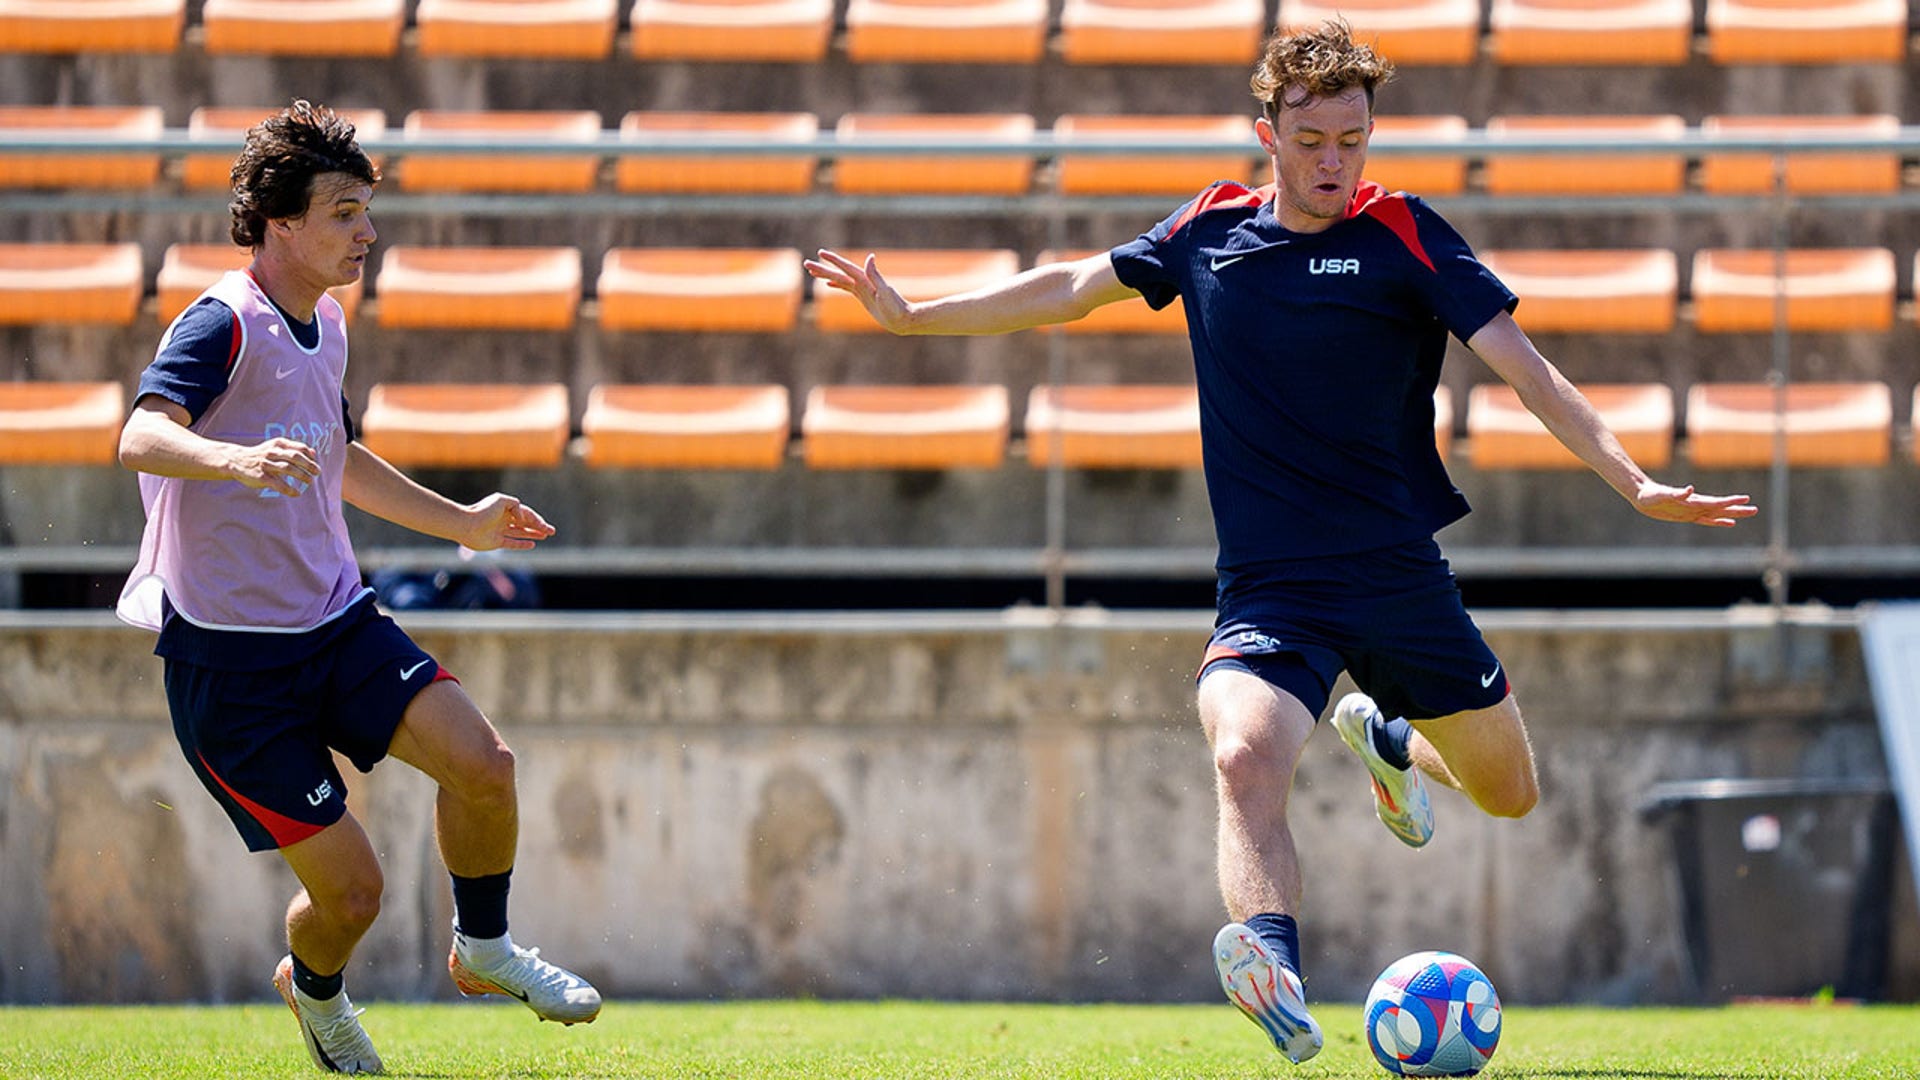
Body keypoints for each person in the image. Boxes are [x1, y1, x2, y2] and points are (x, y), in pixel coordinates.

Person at [805, 21, 1757, 1065]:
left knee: (1510, 794)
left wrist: (1633, 481)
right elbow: (1071, 289)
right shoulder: (1209, 230)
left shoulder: (1406, 233)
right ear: (1268, 131)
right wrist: (914, 318)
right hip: (1271, 591)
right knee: (1245, 753)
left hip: (1398, 579)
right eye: (1313, 141)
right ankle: (1277, 974)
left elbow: (1529, 372)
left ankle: (1389, 741)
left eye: (1353, 138)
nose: (1336, 161)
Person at [116, 101, 600, 1075]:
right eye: (344, 212)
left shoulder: (325, 322)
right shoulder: (223, 322)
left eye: (367, 210)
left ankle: (485, 947)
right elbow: (141, 433)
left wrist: (461, 522)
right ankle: (319, 994)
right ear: (280, 222)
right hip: (233, 667)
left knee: (486, 768)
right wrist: (230, 459)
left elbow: (338, 456)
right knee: (354, 900)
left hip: (335, 621)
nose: (366, 233)